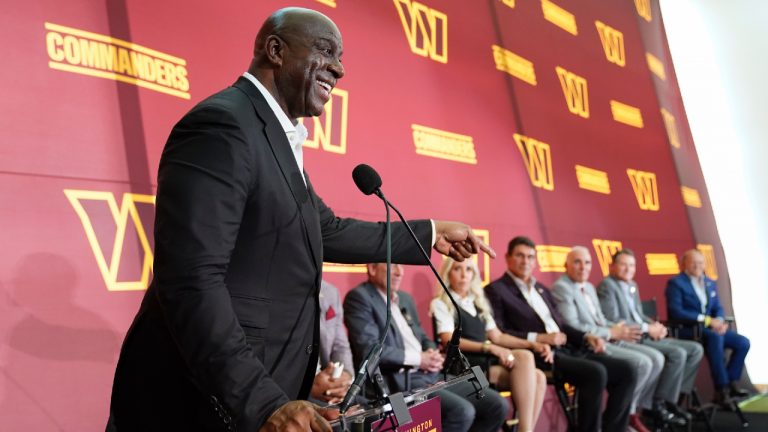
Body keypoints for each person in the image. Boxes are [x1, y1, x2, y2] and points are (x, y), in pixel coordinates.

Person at [106, 7, 494, 431]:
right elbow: (191, 280)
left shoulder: (271, 133)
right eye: (326, 52)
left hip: (247, 391)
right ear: (275, 50)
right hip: (196, 397)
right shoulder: (223, 125)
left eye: (341, 57)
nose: (340, 70)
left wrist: (430, 233)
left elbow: (325, 230)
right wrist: (263, 402)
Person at [485, 236, 637, 432]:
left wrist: (585, 336)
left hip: (569, 348)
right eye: (520, 256)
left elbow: (562, 324)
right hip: (539, 355)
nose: (526, 261)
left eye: (530, 257)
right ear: (507, 258)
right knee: (595, 373)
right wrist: (538, 338)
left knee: (627, 370)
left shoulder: (541, 289)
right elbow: (500, 332)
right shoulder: (496, 290)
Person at [344, 263, 508, 432]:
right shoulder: (359, 298)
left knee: (497, 405)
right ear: (372, 268)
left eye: (401, 266)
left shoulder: (404, 298)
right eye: (393, 266)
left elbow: (422, 336)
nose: (399, 272)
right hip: (399, 383)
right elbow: (370, 350)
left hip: (431, 374)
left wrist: (432, 352)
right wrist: (421, 359)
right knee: (462, 411)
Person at [551, 246, 683, 431]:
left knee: (654, 358)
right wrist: (612, 332)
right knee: (641, 362)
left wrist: (615, 329)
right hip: (586, 344)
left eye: (587, 262)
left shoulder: (588, 286)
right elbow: (573, 326)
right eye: (577, 262)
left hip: (606, 336)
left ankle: (628, 414)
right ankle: (620, 418)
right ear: (566, 265)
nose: (583, 267)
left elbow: (601, 319)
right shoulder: (561, 288)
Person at [431, 257, 546, 432]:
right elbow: (448, 340)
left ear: (474, 275)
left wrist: (532, 344)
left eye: (468, 269)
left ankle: (526, 429)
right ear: (448, 274)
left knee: (538, 375)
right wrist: (489, 347)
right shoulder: (441, 302)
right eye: (457, 269)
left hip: (485, 361)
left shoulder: (478, 303)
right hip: (462, 365)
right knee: (528, 365)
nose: (464, 274)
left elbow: (498, 337)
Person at [597, 249, 703, 421]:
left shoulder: (632, 285)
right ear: (612, 266)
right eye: (623, 264)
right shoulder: (607, 285)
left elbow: (637, 314)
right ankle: (656, 404)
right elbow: (614, 320)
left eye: (631, 265)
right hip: (632, 338)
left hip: (645, 334)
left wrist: (655, 325)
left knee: (695, 349)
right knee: (677, 354)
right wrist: (647, 328)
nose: (628, 269)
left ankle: (673, 399)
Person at [666, 249, 751, 404]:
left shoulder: (709, 282)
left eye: (700, 262)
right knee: (715, 338)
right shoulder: (676, 283)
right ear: (684, 264)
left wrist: (719, 320)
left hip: (710, 329)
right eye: (693, 262)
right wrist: (707, 321)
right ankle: (721, 388)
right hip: (688, 329)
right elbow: (677, 312)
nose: (698, 265)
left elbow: (717, 307)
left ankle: (730, 382)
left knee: (743, 343)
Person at [309, 281, 354, 405]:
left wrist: (345, 377)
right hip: (294, 393)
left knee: (390, 412)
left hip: (332, 386)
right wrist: (310, 386)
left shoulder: (331, 292)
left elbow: (341, 346)